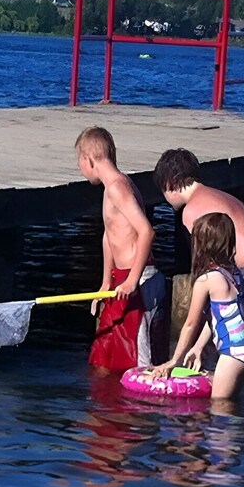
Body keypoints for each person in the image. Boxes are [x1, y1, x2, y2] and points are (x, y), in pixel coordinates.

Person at [153, 148, 244, 368]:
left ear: (170, 183)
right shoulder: (220, 196)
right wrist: (199, 345)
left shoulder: (192, 212)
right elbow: (225, 294)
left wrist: (176, 358)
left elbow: (215, 282)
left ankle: (230, 402)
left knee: (232, 359)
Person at [75, 127, 166, 377]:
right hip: (120, 278)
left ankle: (141, 412)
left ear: (89, 159)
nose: (81, 170)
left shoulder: (118, 187)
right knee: (104, 355)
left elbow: (147, 231)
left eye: (79, 162)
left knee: (138, 361)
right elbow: (109, 236)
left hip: (137, 281)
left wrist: (132, 281)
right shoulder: (109, 189)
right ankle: (108, 410)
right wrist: (105, 282)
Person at [152, 213, 244, 400]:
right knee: (231, 404)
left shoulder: (206, 280)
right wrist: (198, 347)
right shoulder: (233, 273)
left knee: (220, 408)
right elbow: (220, 315)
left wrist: (174, 361)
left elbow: (191, 324)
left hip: (232, 353)